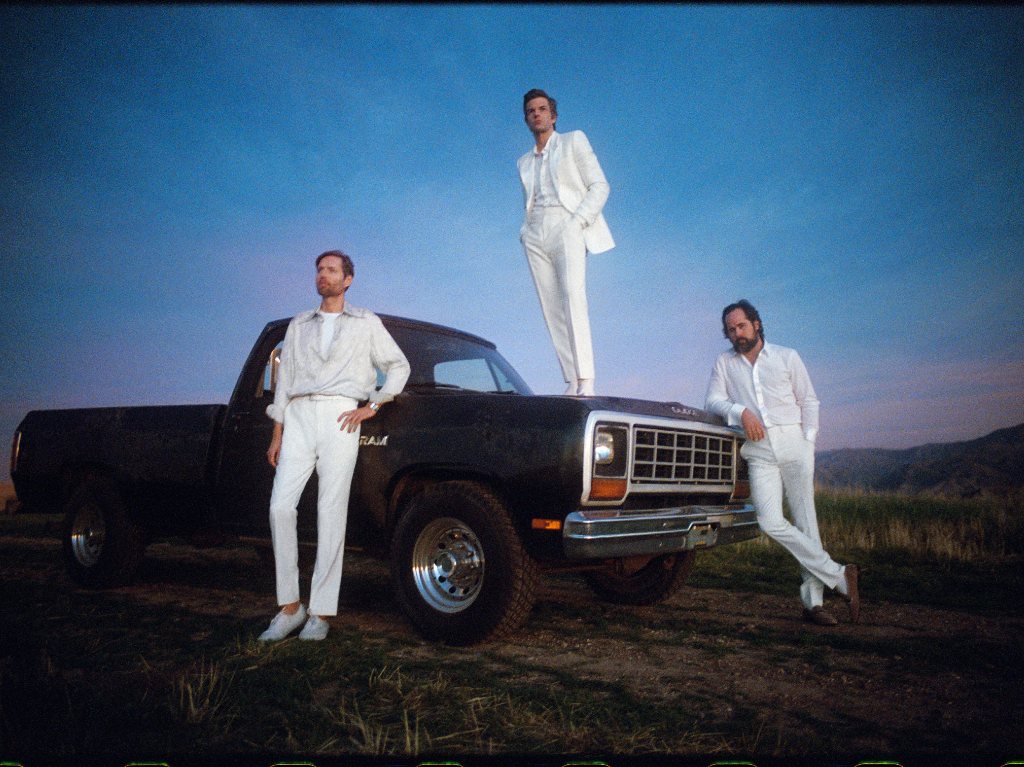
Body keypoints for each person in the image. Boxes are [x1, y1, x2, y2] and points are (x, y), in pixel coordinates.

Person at [258, 250, 410, 642]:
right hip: (298, 417)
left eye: (330, 270)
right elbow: (285, 381)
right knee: (279, 508)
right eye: (318, 270)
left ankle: (321, 613)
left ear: (348, 280)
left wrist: (373, 405)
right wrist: (277, 434)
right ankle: (290, 607)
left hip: (341, 415)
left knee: (330, 510)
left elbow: (398, 365)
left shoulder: (365, 322)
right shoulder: (299, 324)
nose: (322, 276)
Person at [705, 300, 860, 626]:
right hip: (758, 449)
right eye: (731, 330)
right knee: (768, 520)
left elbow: (809, 400)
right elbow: (713, 401)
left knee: (806, 522)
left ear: (756, 324)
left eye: (742, 326)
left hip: (795, 445)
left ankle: (813, 604)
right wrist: (741, 412)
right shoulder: (724, 363)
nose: (737, 334)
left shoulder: (787, 356)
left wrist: (809, 441)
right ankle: (840, 575)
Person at [517, 88, 614, 397]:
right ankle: (572, 379)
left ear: (553, 115)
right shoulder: (523, 162)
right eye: (531, 110)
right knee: (551, 307)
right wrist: (525, 230)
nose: (536, 113)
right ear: (527, 119)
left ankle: (587, 379)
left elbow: (600, 185)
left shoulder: (574, 141)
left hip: (567, 223)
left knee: (573, 297)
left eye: (542, 108)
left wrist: (577, 222)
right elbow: (530, 201)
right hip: (535, 232)